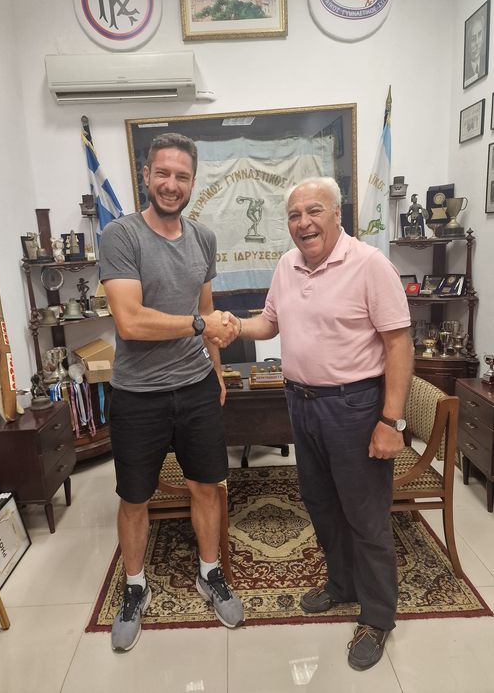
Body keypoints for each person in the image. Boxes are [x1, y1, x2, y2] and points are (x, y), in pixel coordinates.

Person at [236, 177, 412, 671]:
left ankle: (377, 616)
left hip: (355, 406)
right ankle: (342, 583)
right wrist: (232, 325)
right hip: (301, 403)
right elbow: (269, 322)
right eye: (294, 215)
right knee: (321, 502)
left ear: (338, 214)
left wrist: (391, 421)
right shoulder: (286, 265)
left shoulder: (370, 265)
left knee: (365, 514)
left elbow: (398, 344)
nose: (303, 223)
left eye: (314, 211)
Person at [99, 132, 244, 653]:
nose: (171, 184)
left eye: (182, 176)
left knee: (207, 486)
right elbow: (130, 321)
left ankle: (210, 572)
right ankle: (135, 586)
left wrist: (217, 369)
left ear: (192, 182)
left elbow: (205, 307)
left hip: (196, 387)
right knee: (134, 497)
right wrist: (199, 327)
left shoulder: (203, 238)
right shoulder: (120, 235)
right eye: (162, 173)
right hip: (138, 394)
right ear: (146, 175)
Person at [464, 13, 486, 86]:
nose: (477, 43)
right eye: (473, 39)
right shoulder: (465, 72)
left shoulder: (485, 62)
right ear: (467, 43)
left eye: (479, 34)